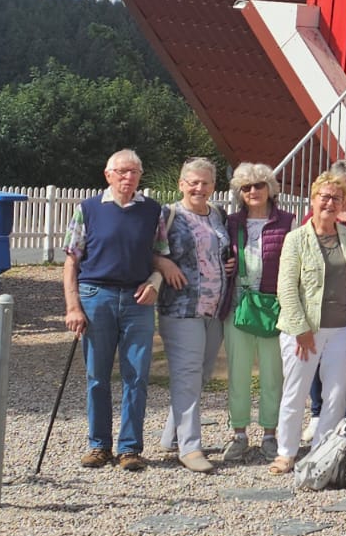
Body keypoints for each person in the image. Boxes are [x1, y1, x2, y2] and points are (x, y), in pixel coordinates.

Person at [62, 149, 184, 473]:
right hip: (95, 295)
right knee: (97, 376)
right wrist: (73, 306)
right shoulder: (87, 209)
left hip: (137, 300)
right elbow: (71, 260)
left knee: (137, 375)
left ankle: (130, 448)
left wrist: (157, 281)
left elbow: (159, 253)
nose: (128, 178)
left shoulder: (152, 211)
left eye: (134, 172)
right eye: (122, 172)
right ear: (108, 175)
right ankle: (98, 445)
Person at [272, 173, 346, 473]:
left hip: (341, 329)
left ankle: (321, 451)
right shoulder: (296, 239)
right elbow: (286, 287)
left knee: (336, 393)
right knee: (296, 391)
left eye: (336, 198)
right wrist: (301, 330)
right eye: (324, 197)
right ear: (313, 200)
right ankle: (286, 451)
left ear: (343, 203)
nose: (329, 203)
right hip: (304, 330)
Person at [154, 158, 229, 473]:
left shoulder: (218, 215)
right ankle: (190, 448)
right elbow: (145, 248)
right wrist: (162, 262)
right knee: (186, 374)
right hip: (181, 307)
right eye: (193, 182)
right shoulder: (168, 215)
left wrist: (228, 265)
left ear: (213, 186)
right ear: (182, 184)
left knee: (200, 374)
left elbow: (219, 252)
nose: (200, 188)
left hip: (215, 307)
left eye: (206, 183)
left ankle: (171, 435)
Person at [224, 161, 294, 462]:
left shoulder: (288, 222)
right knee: (237, 372)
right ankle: (238, 433)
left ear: (270, 188)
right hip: (239, 304)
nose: (253, 191)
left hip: (272, 306)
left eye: (259, 185)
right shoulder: (230, 223)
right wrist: (226, 264)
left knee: (272, 373)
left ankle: (269, 433)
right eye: (246, 187)